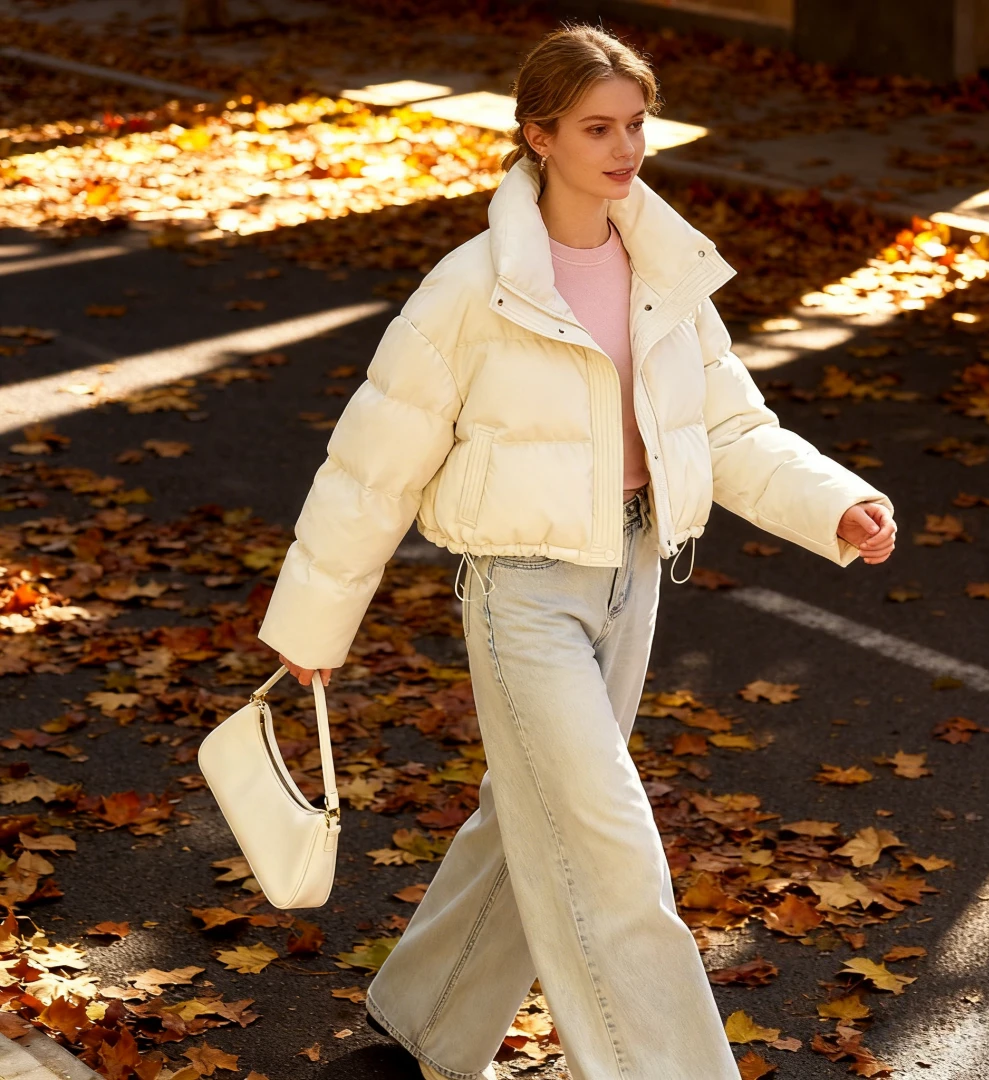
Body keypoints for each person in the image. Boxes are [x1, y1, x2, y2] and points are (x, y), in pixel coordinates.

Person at [257, 21, 897, 1080]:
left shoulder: (663, 268)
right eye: (598, 127)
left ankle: (414, 1038)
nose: (624, 148)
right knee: (607, 849)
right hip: (522, 594)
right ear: (538, 136)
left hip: (635, 575)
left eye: (637, 125)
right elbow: (373, 464)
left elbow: (730, 429)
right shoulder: (473, 288)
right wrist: (313, 630)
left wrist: (834, 506)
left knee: (534, 816)